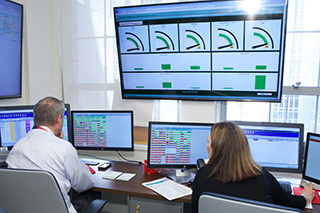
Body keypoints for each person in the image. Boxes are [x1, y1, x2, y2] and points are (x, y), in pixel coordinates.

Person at [191, 122, 315, 213]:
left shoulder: (203, 175)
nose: (207, 146)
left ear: (217, 148)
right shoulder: (262, 176)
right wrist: (306, 197)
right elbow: (290, 203)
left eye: (209, 142)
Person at [6, 97, 97, 213]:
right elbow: (85, 184)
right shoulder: (64, 148)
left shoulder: (17, 146)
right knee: (92, 193)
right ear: (59, 119)